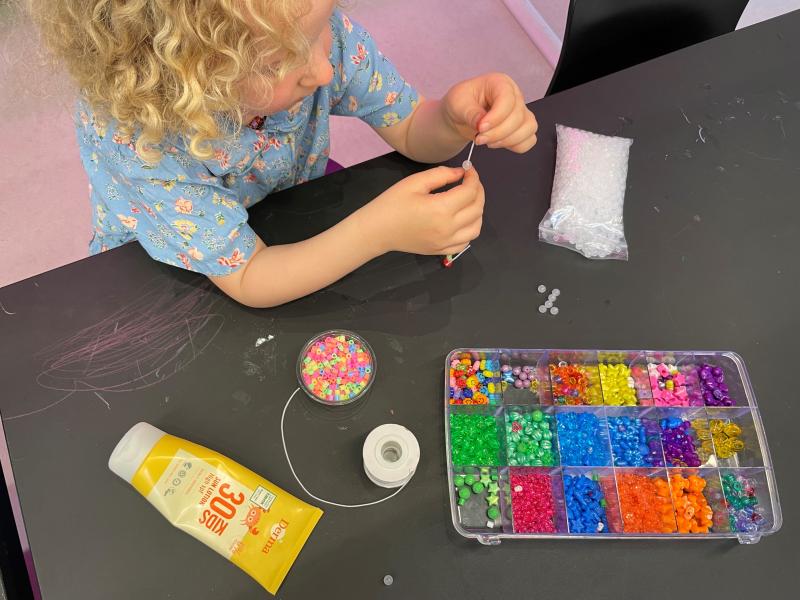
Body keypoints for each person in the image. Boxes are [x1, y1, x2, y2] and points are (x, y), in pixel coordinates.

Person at [29, 0, 538, 307]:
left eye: (322, 28)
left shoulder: (309, 31)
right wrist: (379, 232)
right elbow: (249, 276)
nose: (323, 71)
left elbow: (409, 126)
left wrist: (450, 117)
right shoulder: (138, 140)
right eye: (280, 60)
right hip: (173, 266)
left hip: (282, 205)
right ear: (190, 75)